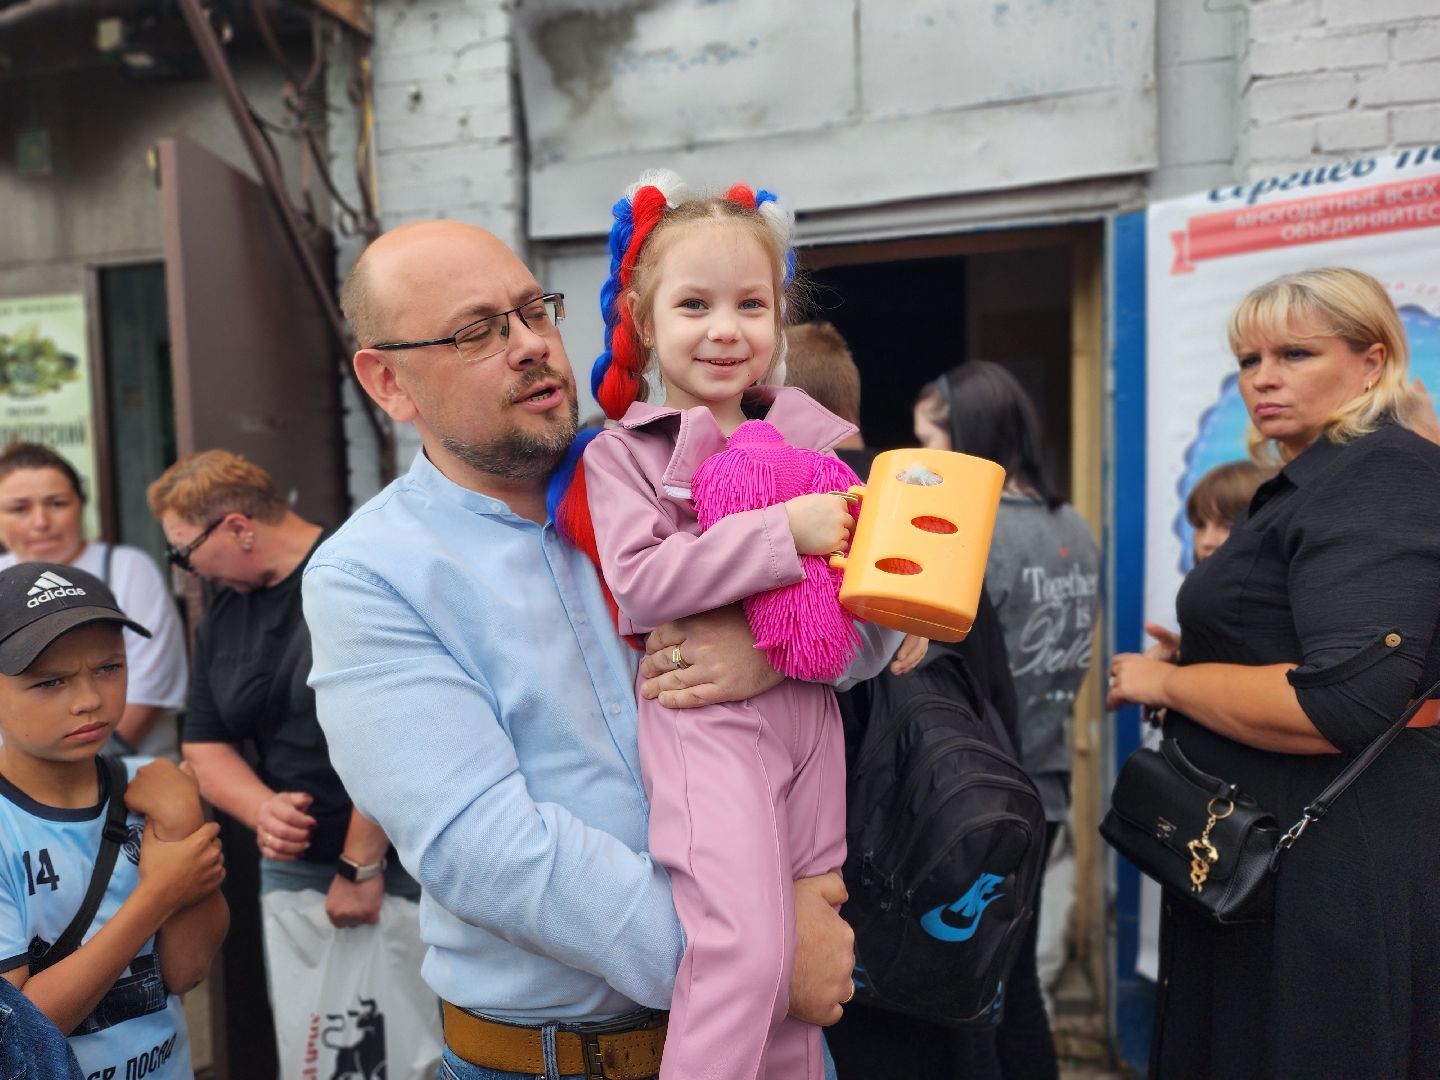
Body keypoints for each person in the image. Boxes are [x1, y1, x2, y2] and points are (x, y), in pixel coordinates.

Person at [306, 217, 858, 1080]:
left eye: (535, 311)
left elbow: (870, 625)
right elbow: (485, 847)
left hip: (772, 1042)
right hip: (559, 1060)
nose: (530, 344)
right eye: (478, 331)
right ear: (388, 382)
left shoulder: (664, 464)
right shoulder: (371, 574)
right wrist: (757, 952)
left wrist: (767, 652)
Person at [549, 175, 905, 1080]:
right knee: (743, 956)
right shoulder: (624, 456)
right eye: (694, 304)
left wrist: (908, 618)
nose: (724, 329)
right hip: (708, 729)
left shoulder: (818, 446)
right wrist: (784, 534)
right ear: (643, 318)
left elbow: (874, 619)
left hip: (813, 730)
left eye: (750, 304)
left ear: (779, 318)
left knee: (800, 965)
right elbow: (642, 584)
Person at [1107, 267, 1440, 1077]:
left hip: (1325, 864)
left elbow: (1343, 700)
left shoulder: (1382, 471)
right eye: (1249, 360)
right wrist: (1203, 660)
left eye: (1294, 354)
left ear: (1372, 362)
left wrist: (1168, 684)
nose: (1263, 378)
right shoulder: (1313, 477)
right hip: (1259, 855)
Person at [785, 323, 1023, 1080]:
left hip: (847, 901)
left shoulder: (802, 523)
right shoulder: (931, 509)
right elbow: (996, 703)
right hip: (950, 876)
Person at [914, 361, 1100, 1079]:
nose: (922, 461)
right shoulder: (1072, 524)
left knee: (973, 995)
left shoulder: (972, 530)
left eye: (929, 440)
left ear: (970, 436)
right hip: (1044, 786)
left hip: (978, 794)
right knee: (1017, 988)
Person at [145, 451, 416, 926]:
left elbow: (403, 728)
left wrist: (361, 863)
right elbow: (204, 743)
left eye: (183, 551)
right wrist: (263, 810)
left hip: (401, 853)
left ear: (237, 528)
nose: (186, 568)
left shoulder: (356, 570)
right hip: (294, 863)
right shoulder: (224, 613)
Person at [0, 562, 227, 1079]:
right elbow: (18, 1035)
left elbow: (187, 971)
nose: (89, 700)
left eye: (109, 668)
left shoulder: (153, 787)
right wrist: (159, 895)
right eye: (50, 682)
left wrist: (184, 818)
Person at [1135, 459, 1270, 983]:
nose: (1209, 541)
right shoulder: (1208, 600)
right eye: (1199, 525)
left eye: (1227, 525)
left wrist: (1170, 681)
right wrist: (1180, 663)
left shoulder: (1273, 609)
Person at [0, 444, 187, 759]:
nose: (41, 521)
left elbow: (149, 692)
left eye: (57, 503)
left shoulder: (126, 568)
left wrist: (73, 774)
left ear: (82, 505)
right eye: (19, 508)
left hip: (130, 771)